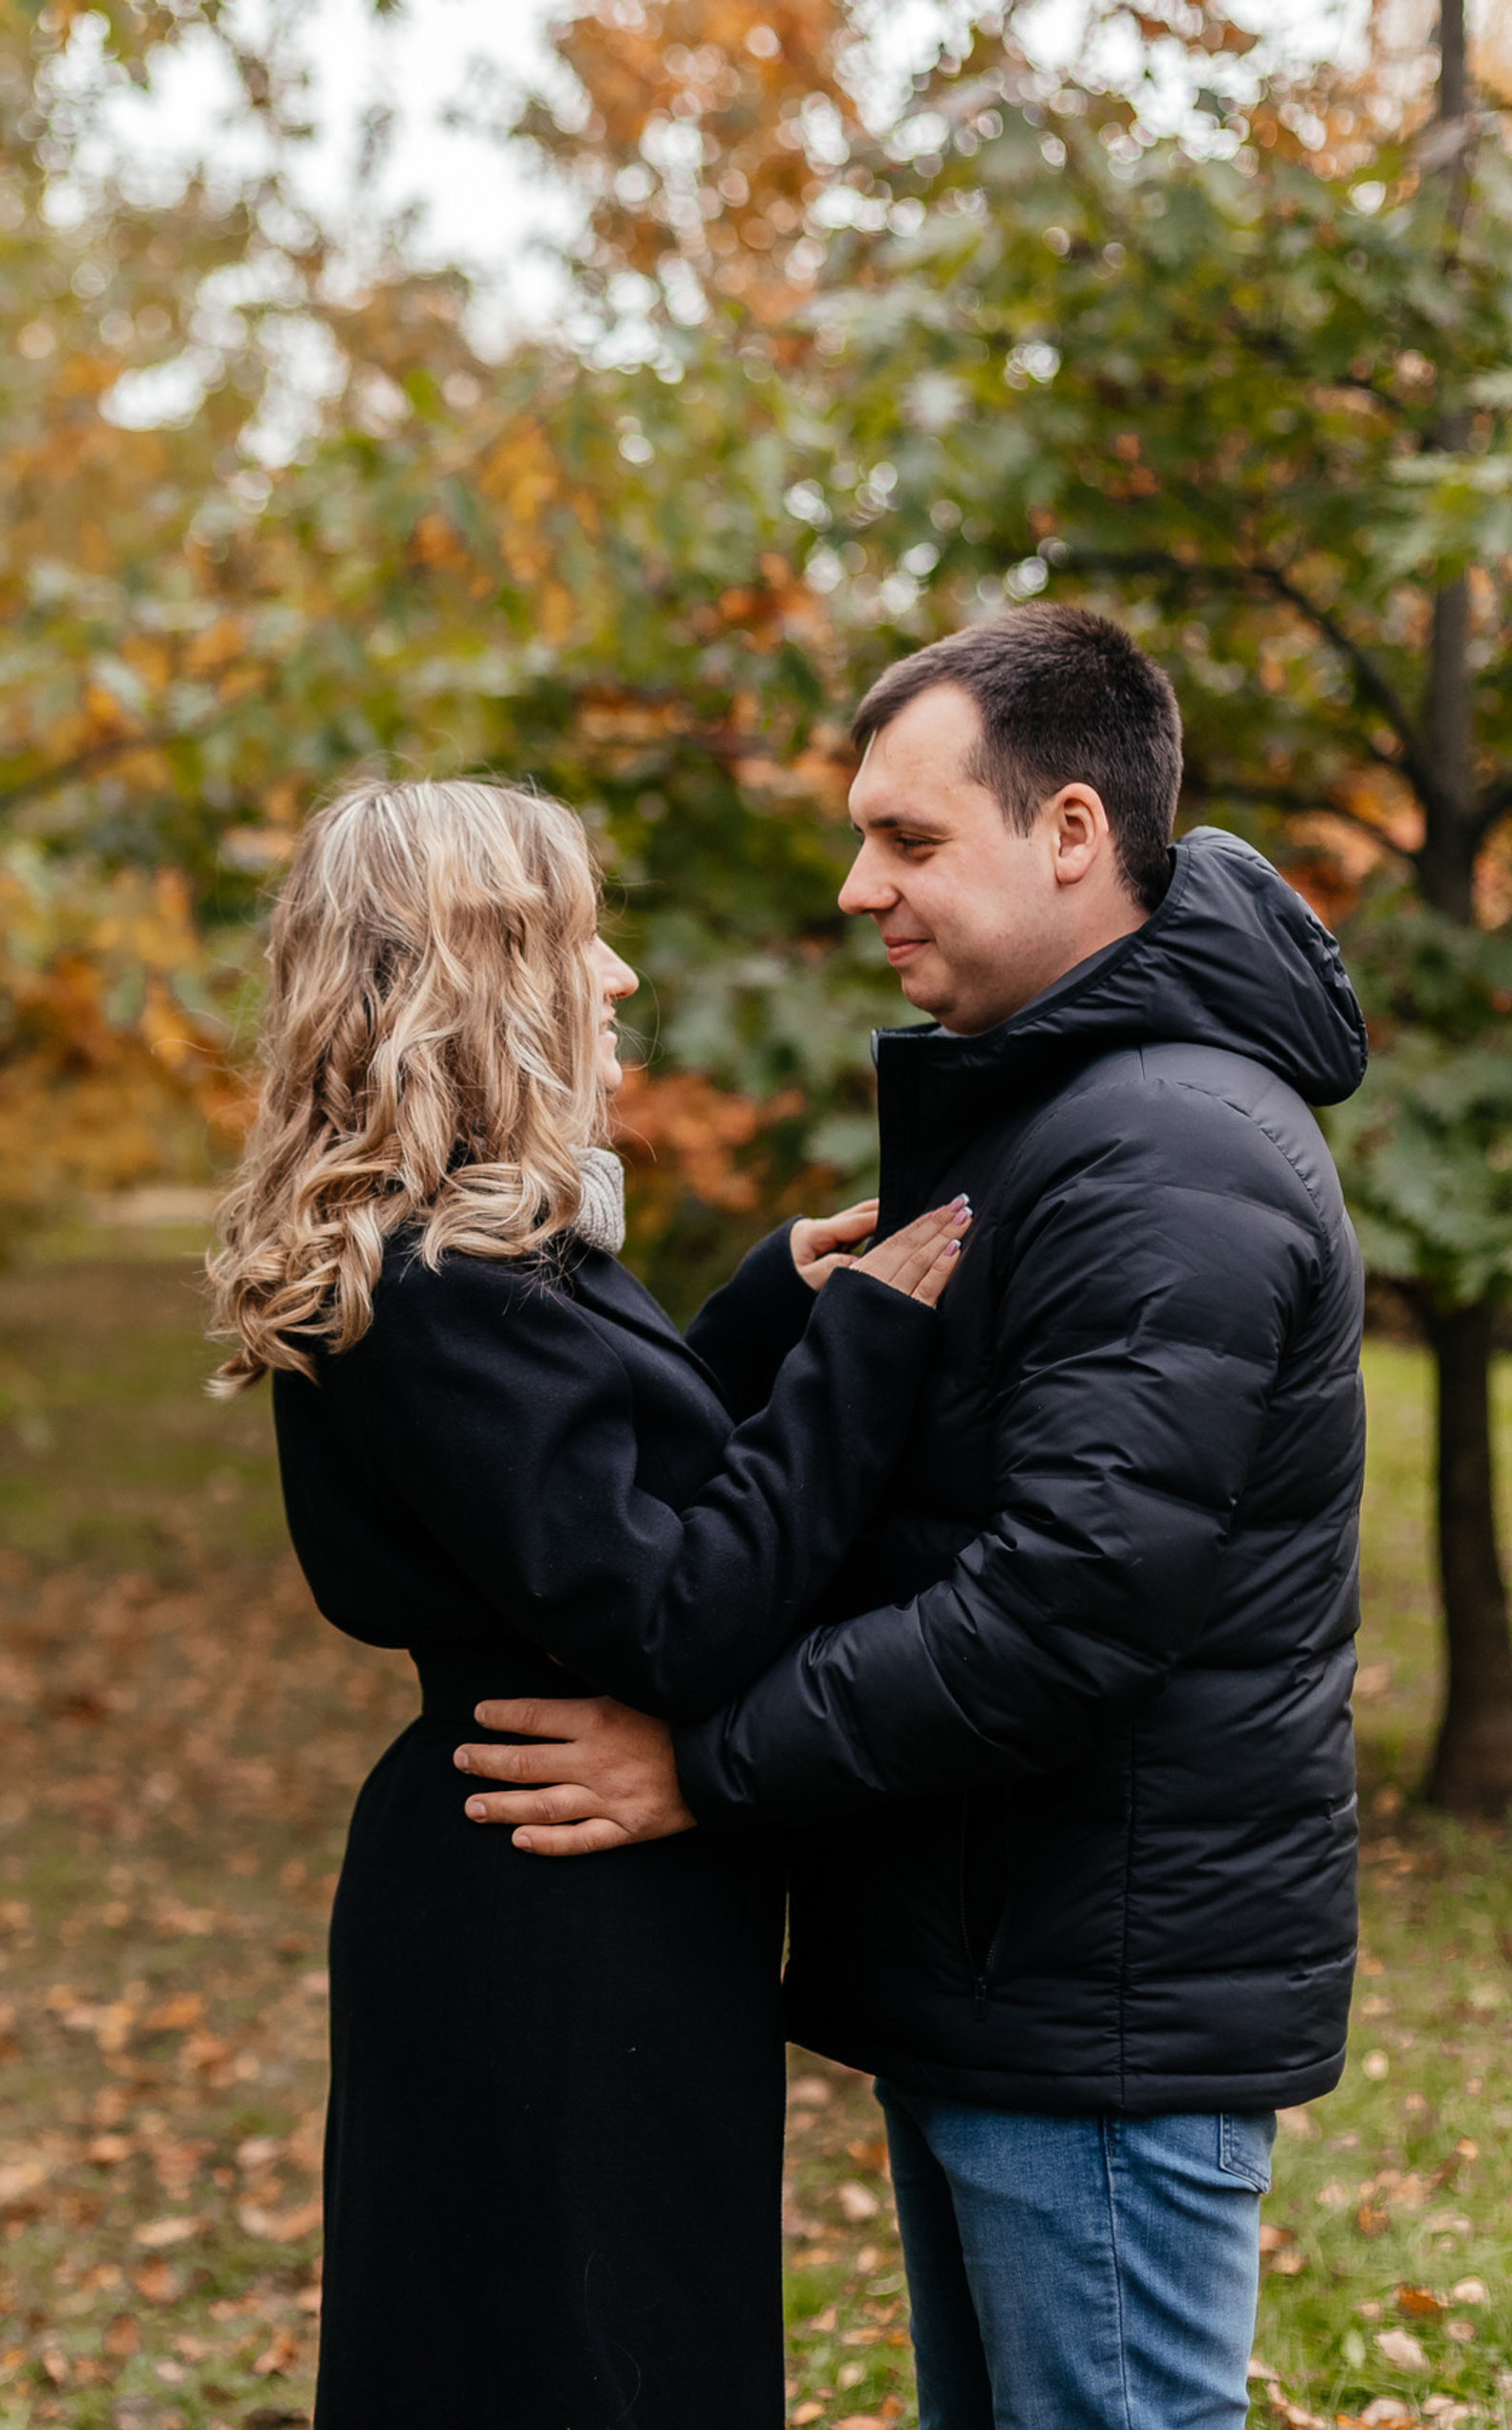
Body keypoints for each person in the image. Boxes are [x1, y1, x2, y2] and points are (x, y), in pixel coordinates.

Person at [456, 606, 1369, 2430]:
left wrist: (699, 1766)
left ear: (1073, 835)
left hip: (1093, 1990)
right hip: (1003, 1957)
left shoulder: (1161, 1150)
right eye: (865, 835)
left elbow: (1064, 1610)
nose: (861, 885)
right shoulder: (1057, 1118)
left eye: (912, 838)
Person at [205, 774, 972, 2429]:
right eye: (582, 940)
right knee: (583, 2372)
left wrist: (771, 1310)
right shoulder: (439, 1289)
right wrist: (865, 1355)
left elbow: (581, 1498)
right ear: (475, 979)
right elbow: (676, 1612)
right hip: (551, 1921)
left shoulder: (465, 1263)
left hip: (544, 1893)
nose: (619, 978)